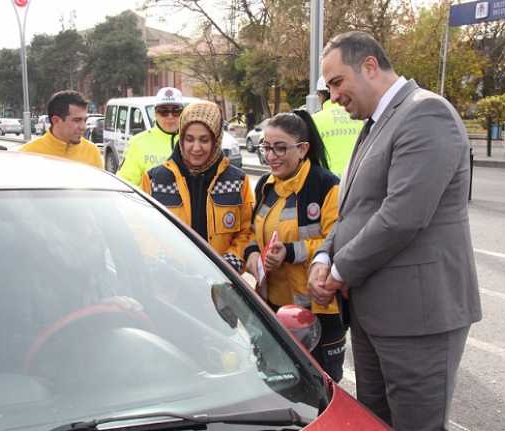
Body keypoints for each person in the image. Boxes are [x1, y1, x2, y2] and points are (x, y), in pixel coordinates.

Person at [308, 31, 481, 430]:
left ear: (370, 65)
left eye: (337, 82)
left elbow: (403, 215)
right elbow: (356, 210)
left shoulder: (426, 114)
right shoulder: (376, 123)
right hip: (375, 312)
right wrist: (324, 254)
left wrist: (337, 273)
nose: (333, 96)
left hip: (419, 317)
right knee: (375, 421)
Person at [243, 110, 345, 381]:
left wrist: (289, 252)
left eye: (280, 148)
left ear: (302, 149)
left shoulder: (326, 186)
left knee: (320, 385)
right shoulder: (266, 185)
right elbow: (253, 232)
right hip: (273, 307)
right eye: (267, 147)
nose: (271, 156)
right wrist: (253, 254)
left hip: (316, 311)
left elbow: (337, 242)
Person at [142, 101, 253, 273]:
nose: (196, 148)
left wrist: (227, 267)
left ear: (216, 140)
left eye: (204, 140)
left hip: (221, 287)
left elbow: (247, 232)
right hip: (170, 285)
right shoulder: (155, 180)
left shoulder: (238, 181)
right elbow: (143, 231)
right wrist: (163, 265)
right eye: (189, 139)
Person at [117, 87, 184, 187]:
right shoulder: (137, 143)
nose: (170, 116)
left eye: (176, 111)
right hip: (148, 202)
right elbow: (125, 184)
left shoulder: (191, 142)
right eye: (163, 111)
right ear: (155, 113)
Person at [19, 90, 103, 169]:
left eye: (85, 120)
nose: (83, 127)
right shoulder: (28, 154)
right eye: (77, 120)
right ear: (55, 121)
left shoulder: (92, 152)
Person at [311, 76, 363, 177]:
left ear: (319, 95)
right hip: (355, 179)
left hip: (328, 183)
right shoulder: (358, 118)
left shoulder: (314, 120)